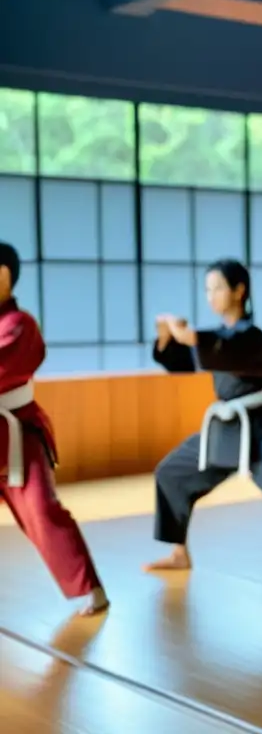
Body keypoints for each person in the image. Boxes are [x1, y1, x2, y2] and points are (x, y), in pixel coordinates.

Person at [143, 258, 262, 597]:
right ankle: (179, 552)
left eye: (218, 288)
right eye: (207, 289)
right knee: (171, 473)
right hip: (225, 428)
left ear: (239, 291)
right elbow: (183, 361)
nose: (211, 296)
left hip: (259, 426)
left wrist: (188, 335)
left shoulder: (251, 337)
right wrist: (166, 341)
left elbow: (219, 350)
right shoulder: (217, 338)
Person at [0, 241, 109, 617]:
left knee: (41, 510)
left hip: (17, 435)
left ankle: (87, 588)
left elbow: (8, 367)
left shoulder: (20, 325)